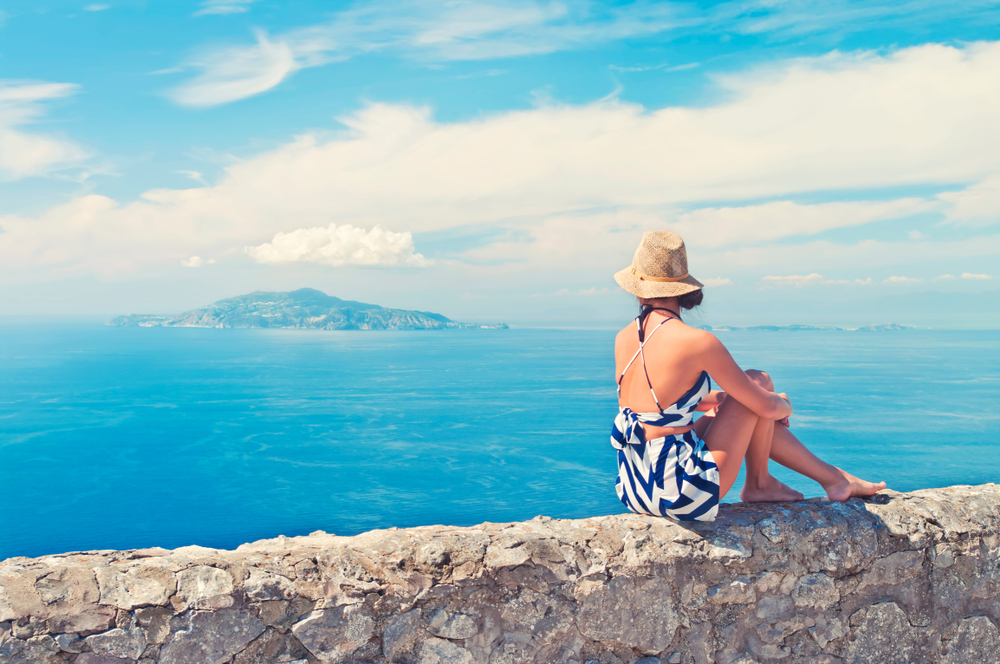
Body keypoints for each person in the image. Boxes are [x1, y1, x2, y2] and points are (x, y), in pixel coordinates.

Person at [611, 230, 885, 522]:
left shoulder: (624, 337)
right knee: (759, 381)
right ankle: (763, 482)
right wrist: (781, 404)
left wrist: (730, 400)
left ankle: (829, 480)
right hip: (681, 493)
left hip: (637, 485)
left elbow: (664, 403)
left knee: (749, 396)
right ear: (681, 288)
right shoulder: (696, 341)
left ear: (638, 289)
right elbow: (765, 407)